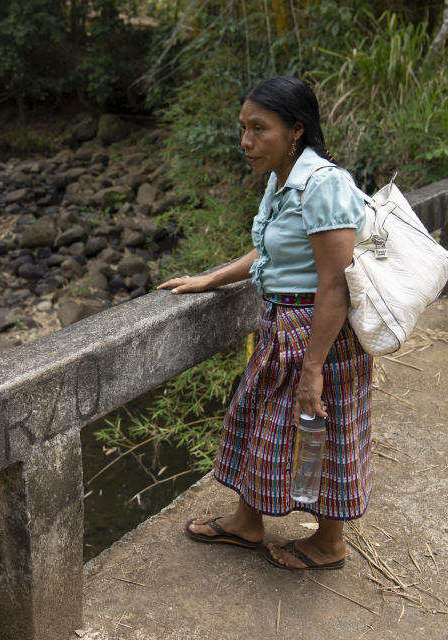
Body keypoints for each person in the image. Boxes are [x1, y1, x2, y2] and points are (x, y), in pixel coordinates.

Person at [158, 76, 372, 570]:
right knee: (262, 424)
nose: (246, 142)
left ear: (296, 130)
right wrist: (211, 278)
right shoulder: (284, 178)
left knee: (322, 430)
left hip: (319, 334)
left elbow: (335, 284)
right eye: (243, 128)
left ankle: (328, 545)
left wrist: (314, 368)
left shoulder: (325, 184)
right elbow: (270, 249)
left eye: (259, 129)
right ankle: (246, 523)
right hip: (283, 325)